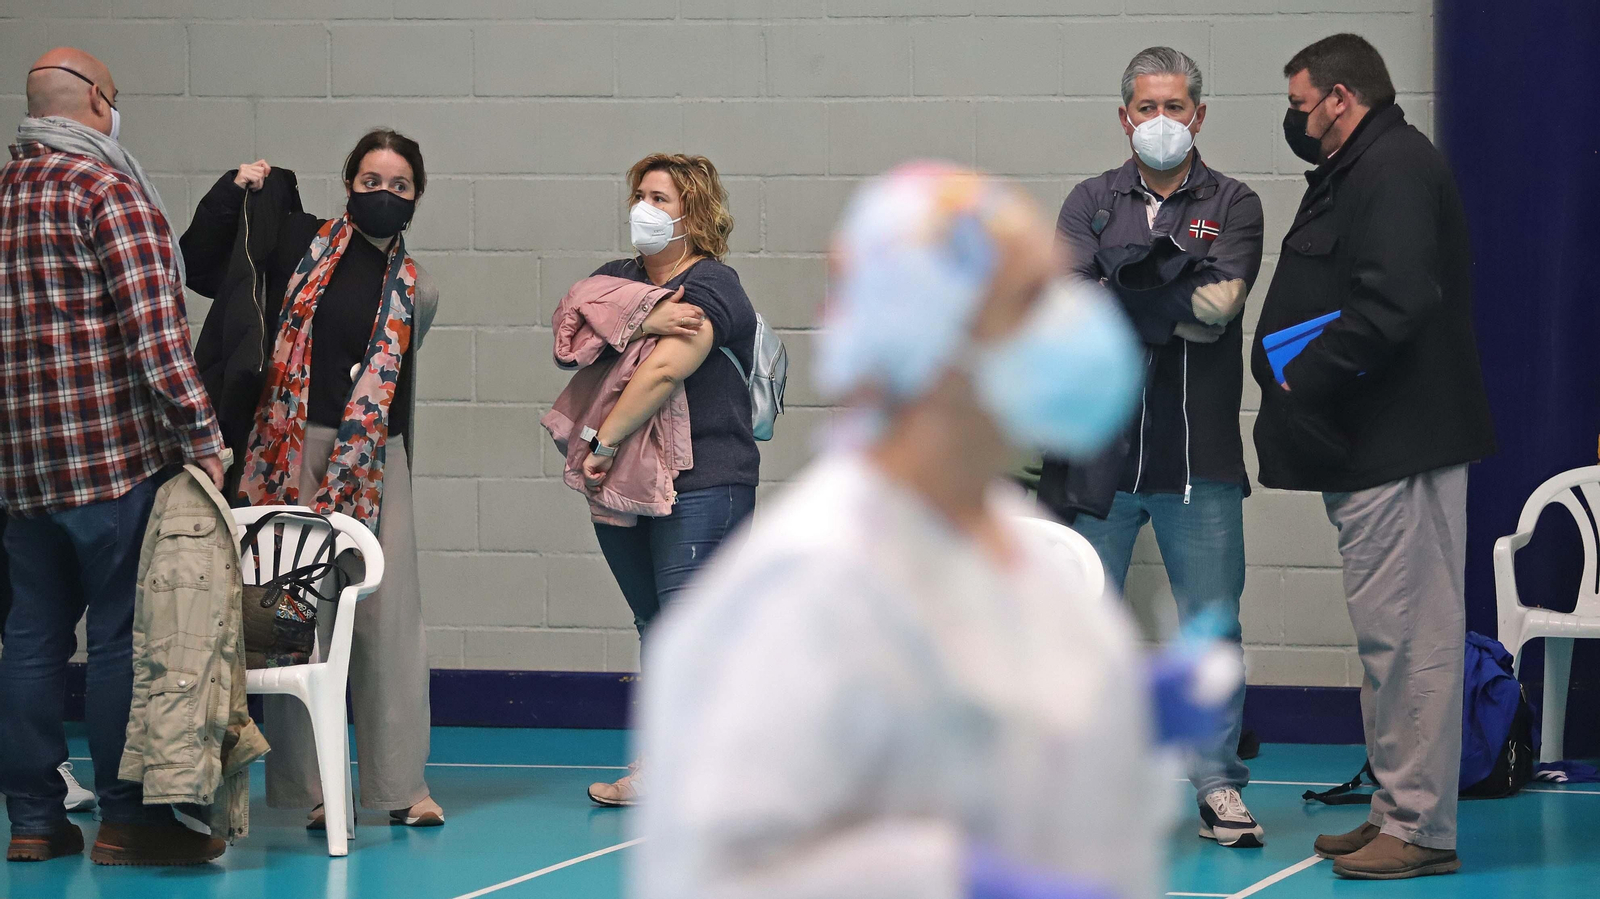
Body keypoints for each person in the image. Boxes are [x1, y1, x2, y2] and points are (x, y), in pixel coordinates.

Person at [632, 163, 1164, 899]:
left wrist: (1113, 717)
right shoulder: (802, 587)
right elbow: (722, 872)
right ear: (938, 341)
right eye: (1031, 300)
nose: (1069, 326)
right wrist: (951, 876)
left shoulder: (1020, 547)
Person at [1253, 34, 1495, 880]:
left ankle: (1421, 827)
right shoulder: (1363, 167)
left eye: (1300, 101)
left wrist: (1297, 380)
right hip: (1373, 450)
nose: (1296, 117)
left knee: (1415, 639)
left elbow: (1392, 303)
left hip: (1403, 446)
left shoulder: (1393, 168)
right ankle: (1396, 807)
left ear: (1342, 98)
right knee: (1388, 638)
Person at [0, 48, 228, 865]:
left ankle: (33, 817)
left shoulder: (5, 192)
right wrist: (204, 437)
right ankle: (127, 818)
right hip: (111, 461)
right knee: (121, 639)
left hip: (19, 469)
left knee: (29, 636)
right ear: (97, 100)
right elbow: (155, 334)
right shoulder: (106, 189)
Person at [180, 129, 443, 829]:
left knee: (390, 622)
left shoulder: (421, 290)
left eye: (400, 185)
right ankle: (312, 789)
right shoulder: (299, 246)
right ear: (348, 182)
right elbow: (200, 263)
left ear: (417, 197)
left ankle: (400, 785)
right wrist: (234, 185)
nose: (383, 194)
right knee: (293, 618)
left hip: (378, 459)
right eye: (371, 180)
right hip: (290, 450)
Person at [1047, 46, 1266, 848]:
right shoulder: (1090, 201)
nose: (1161, 121)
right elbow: (1069, 306)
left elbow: (1218, 308)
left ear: (1199, 114)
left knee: (1210, 626)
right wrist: (1168, 289)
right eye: (1148, 108)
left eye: (1176, 107)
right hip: (1099, 456)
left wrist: (1124, 290)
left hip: (1197, 459)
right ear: (1125, 115)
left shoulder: (1235, 202)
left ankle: (1218, 787)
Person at [579, 154, 759, 808]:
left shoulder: (717, 284)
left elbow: (663, 371)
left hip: (706, 479)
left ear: (696, 215)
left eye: (661, 198)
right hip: (625, 482)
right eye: (640, 195)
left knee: (690, 626)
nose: (644, 209)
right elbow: (571, 327)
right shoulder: (615, 277)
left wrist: (604, 437)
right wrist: (647, 314)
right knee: (657, 623)